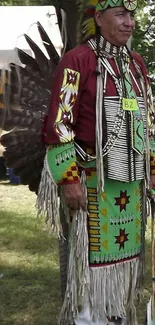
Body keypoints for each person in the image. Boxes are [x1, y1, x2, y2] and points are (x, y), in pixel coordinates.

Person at [37, 0, 155, 324]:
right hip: (93, 183)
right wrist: (69, 178)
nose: (129, 22)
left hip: (130, 185)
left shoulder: (136, 65)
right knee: (93, 266)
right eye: (120, 14)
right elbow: (60, 126)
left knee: (126, 262)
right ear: (99, 18)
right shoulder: (77, 62)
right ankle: (91, 319)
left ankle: (115, 315)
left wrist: (153, 168)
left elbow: (148, 122)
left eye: (131, 15)